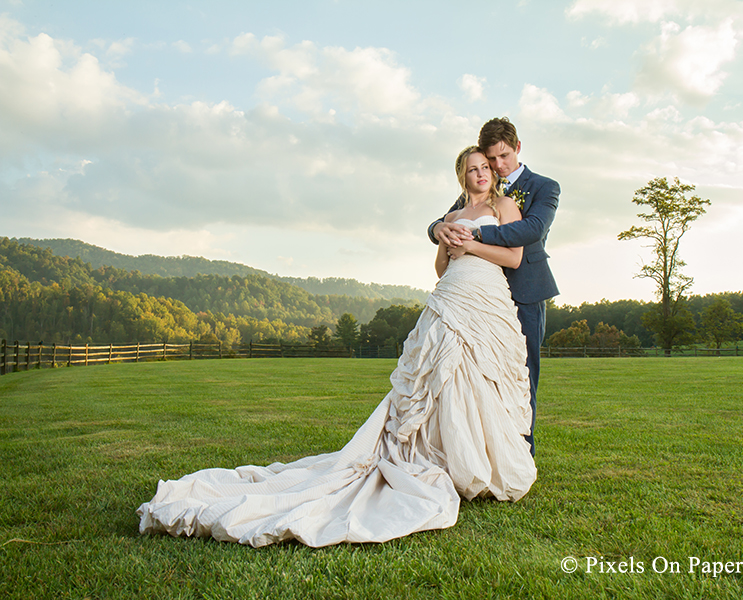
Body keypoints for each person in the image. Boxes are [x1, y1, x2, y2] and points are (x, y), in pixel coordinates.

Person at [136, 146, 537, 548]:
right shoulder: (449, 217)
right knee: (439, 378)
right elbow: (439, 268)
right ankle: (446, 462)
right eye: (473, 169)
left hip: (486, 299)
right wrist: (450, 246)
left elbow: (514, 257)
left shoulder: (504, 206)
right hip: (451, 295)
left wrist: (471, 247)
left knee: (480, 379)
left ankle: (482, 464)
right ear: (461, 176)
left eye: (485, 167)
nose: (481, 173)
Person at [429, 117, 559, 456]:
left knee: (522, 373)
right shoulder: (478, 189)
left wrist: (476, 236)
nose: (498, 166)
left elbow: (532, 229)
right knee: (478, 374)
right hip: (479, 296)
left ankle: (521, 454)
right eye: (491, 160)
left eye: (503, 157)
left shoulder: (545, 186)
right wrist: (436, 229)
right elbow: (448, 220)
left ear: (517, 148)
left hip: (526, 290)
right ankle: (480, 448)